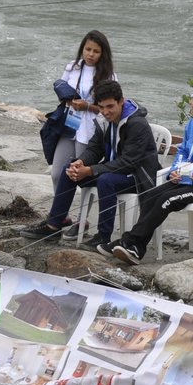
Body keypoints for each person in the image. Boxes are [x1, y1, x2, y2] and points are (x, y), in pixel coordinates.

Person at [99, 82, 193, 266]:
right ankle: (136, 248)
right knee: (150, 194)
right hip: (188, 181)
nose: (190, 103)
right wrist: (176, 170)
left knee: (166, 199)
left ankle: (129, 242)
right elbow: (183, 151)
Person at [23, 31, 116, 239]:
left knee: (82, 175)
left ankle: (83, 221)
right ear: (82, 48)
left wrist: (87, 106)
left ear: (103, 54)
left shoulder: (107, 75)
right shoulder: (73, 67)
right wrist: (67, 99)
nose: (91, 54)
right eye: (88, 49)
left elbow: (109, 109)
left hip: (90, 128)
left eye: (96, 51)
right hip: (69, 124)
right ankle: (61, 215)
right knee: (57, 172)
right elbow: (61, 86)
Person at [64, 79, 160, 250]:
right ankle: (53, 223)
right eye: (101, 107)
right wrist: (81, 162)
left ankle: (102, 237)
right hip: (114, 169)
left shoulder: (137, 124)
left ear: (121, 101)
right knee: (70, 170)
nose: (105, 112)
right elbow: (94, 149)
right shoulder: (104, 120)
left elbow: (128, 162)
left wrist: (92, 170)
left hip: (138, 176)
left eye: (110, 107)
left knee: (105, 180)